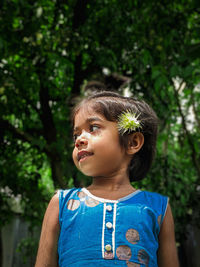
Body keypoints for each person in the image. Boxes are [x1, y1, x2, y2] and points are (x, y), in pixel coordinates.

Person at [35, 90, 179, 267]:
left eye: (93, 128)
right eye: (76, 134)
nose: (79, 139)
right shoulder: (61, 204)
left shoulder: (158, 208)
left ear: (133, 142)